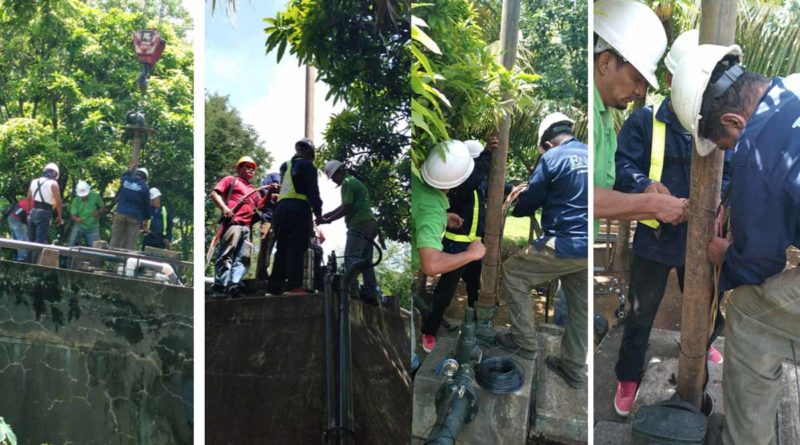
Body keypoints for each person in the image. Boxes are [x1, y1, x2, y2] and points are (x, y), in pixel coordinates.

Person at [672, 43, 800, 445]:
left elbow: (760, 263)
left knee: (747, 314)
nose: (729, 155)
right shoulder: (790, 92)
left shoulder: (759, 146)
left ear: (733, 120)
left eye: (725, 146)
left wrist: (727, 256)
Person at [610, 30, 727, 416]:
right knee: (642, 310)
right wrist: (645, 186)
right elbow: (623, 166)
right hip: (656, 236)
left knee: (706, 304)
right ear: (672, 80)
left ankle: (701, 341)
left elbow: (732, 173)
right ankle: (628, 376)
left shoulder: (717, 126)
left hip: (700, 237)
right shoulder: (644, 123)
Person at [494, 113, 589, 389]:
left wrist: (517, 199)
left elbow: (530, 201)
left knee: (513, 271)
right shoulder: (590, 154)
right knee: (579, 307)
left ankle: (524, 341)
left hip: (564, 242)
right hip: (586, 247)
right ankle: (573, 368)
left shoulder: (551, 158)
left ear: (547, 144)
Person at [593, 0, 689, 228]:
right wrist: (652, 204)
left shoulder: (605, 114)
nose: (640, 92)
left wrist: (646, 189)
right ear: (605, 62)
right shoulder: (596, 116)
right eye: (636, 79)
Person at [419, 138, 493, 353]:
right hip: (456, 246)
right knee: (445, 292)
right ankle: (429, 331)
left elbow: (486, 184)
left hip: (475, 246)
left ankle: (472, 324)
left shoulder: (478, 182)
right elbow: (474, 178)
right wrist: (486, 154)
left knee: (474, 289)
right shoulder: (459, 183)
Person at [412, 140, 486, 277]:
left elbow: (417, 213)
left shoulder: (414, 176)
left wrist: (443, 217)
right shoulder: (432, 211)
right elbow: (431, 265)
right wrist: (471, 254)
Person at [268, 139, 323, 294]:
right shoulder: (308, 166)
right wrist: (318, 213)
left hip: (280, 211)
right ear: (307, 152)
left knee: (282, 248)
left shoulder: (285, 166)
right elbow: (313, 191)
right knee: (297, 248)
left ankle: (274, 288)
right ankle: (293, 286)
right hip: (298, 209)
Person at [319, 160, 379, 303]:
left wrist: (328, 220)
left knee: (351, 258)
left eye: (333, 177)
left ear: (339, 172)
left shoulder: (346, 183)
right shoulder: (353, 181)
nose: (333, 180)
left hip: (359, 224)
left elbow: (347, 208)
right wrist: (328, 214)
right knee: (366, 262)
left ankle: (351, 290)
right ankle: (371, 294)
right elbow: (345, 205)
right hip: (370, 224)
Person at [209, 156, 263, 297]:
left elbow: (261, 205)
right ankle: (221, 286)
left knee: (243, 258)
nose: (250, 169)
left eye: (253, 168)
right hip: (233, 223)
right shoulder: (231, 180)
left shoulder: (253, 189)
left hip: (247, 227)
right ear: (239, 168)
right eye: (247, 166)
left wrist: (270, 192)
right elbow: (214, 193)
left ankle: (234, 284)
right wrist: (224, 208)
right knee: (226, 254)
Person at [110, 165, 151, 250]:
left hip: (120, 213)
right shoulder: (145, 188)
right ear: (145, 178)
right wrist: (146, 219)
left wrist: (129, 170)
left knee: (115, 238)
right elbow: (147, 206)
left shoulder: (126, 180)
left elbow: (123, 176)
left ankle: (110, 258)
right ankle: (128, 261)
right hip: (134, 217)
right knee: (131, 242)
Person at [26, 162, 63, 253]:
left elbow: (28, 199)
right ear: (54, 174)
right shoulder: (53, 184)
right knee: (40, 242)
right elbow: (58, 203)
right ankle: (35, 266)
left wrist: (28, 213)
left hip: (33, 212)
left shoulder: (34, 181)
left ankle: (27, 265)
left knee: (30, 241)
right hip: (44, 213)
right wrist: (60, 217)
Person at [255, 172, 281, 282]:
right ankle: (261, 274)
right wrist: (271, 195)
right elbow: (260, 204)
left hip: (282, 218)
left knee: (282, 246)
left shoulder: (287, 185)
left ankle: (279, 274)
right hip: (268, 218)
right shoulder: (267, 182)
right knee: (265, 244)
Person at [68, 180, 105, 247]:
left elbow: (103, 207)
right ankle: (69, 257)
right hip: (80, 226)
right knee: (71, 244)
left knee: (96, 248)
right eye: (81, 195)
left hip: (93, 227)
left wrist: (98, 212)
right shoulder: (75, 200)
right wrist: (77, 219)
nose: (83, 196)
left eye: (85, 195)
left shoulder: (95, 196)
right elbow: (72, 215)